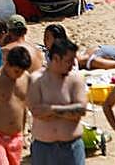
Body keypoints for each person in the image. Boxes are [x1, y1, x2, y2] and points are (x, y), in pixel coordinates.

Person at [27, 36, 89, 165]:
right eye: (69, 61)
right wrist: (68, 111)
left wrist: (51, 110)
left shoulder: (76, 79)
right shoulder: (36, 80)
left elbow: (81, 110)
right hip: (43, 148)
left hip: (71, 146)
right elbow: (37, 112)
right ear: (56, 59)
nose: (73, 64)